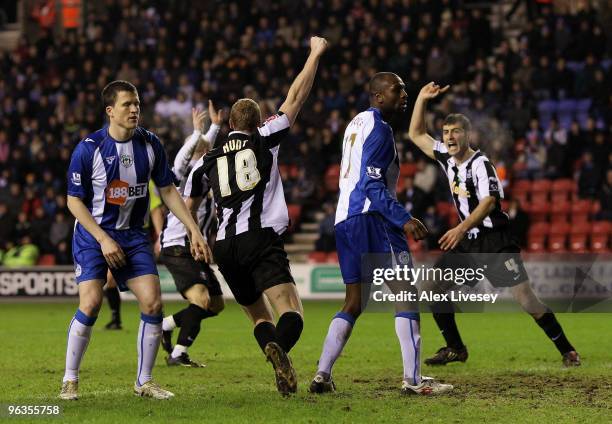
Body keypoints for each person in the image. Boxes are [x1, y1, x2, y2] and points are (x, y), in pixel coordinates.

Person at [184, 36, 328, 396]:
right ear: (258, 120)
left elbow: (189, 200)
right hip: (259, 237)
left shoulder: (209, 158)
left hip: (224, 246)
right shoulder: (265, 136)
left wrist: (194, 235)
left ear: (230, 122)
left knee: (258, 317)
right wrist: (314, 53)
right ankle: (280, 352)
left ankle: (275, 355)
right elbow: (295, 98)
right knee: (290, 313)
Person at [407, 82, 580, 367]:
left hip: (495, 241)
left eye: (455, 132)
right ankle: (455, 348)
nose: (449, 137)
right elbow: (415, 134)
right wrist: (422, 100)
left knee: (527, 300)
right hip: (469, 242)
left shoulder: (481, 164)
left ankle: (567, 349)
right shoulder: (445, 159)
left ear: (467, 135)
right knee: (432, 286)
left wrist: (460, 228)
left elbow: (488, 202)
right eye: (446, 133)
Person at [60, 80, 209, 401]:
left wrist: (193, 229)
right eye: (127, 104)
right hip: (92, 235)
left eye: (137, 104)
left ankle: (145, 381)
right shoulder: (89, 149)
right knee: (91, 302)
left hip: (133, 236)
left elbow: (168, 190)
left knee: (153, 302)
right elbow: (74, 202)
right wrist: (102, 239)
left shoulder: (150, 144)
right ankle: (70, 379)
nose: (134, 109)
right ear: (110, 111)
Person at [309, 72, 453, 396]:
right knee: (406, 293)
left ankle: (322, 373)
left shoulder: (355, 124)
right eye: (397, 90)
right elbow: (372, 184)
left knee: (353, 302)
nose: (403, 94)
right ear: (378, 96)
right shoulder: (381, 129)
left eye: (404, 90)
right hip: (374, 218)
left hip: (345, 220)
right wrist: (403, 218)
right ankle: (413, 381)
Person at [160, 102, 225, 368]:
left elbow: (203, 148)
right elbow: (185, 157)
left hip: (195, 245)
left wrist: (216, 126)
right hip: (178, 244)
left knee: (216, 304)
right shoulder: (182, 174)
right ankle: (178, 354)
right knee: (201, 299)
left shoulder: (204, 168)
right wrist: (197, 131)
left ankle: (166, 324)